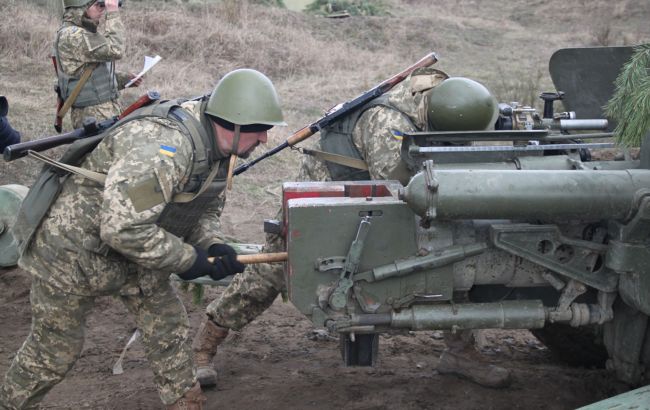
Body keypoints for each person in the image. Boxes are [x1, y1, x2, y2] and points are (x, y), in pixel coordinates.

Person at [192, 68, 512, 389]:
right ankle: (204, 347)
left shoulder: (445, 105)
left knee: (451, 255)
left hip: (375, 202)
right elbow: (403, 185)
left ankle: (461, 353)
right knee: (273, 268)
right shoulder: (388, 123)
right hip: (324, 197)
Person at [0, 68, 286, 410]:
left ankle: (186, 402)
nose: (266, 140)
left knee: (169, 327)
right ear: (234, 123)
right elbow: (124, 228)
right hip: (73, 251)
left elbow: (198, 207)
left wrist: (210, 243)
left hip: (139, 246)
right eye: (261, 130)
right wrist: (188, 259)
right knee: (53, 354)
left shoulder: (217, 150)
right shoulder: (162, 149)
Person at [55, 0, 140, 130]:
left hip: (101, 110)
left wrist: (124, 79)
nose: (103, 9)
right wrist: (113, 13)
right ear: (81, 8)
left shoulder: (82, 32)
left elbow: (88, 74)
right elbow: (116, 50)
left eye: (103, 6)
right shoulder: (72, 35)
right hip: (93, 114)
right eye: (98, 5)